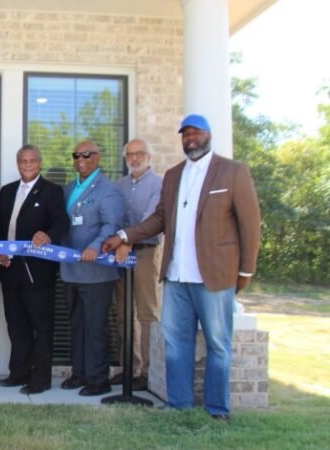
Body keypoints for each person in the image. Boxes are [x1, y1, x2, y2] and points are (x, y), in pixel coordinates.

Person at [103, 114, 261, 420]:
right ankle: (179, 404)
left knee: (218, 343)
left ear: (208, 134)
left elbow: (250, 225)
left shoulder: (232, 172)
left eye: (196, 132)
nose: (190, 138)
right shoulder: (174, 175)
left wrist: (246, 271)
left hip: (214, 277)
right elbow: (159, 218)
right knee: (176, 344)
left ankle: (217, 409)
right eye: (185, 134)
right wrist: (123, 235)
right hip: (176, 276)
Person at [0, 145, 67, 395]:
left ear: (40, 163)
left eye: (32, 161)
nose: (28, 165)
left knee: (41, 325)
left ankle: (40, 379)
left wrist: (47, 235)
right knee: (16, 325)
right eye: (23, 161)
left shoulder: (51, 191)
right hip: (9, 268)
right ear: (17, 163)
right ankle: (19, 373)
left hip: (38, 271)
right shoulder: (6, 192)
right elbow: (0, 229)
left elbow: (61, 223)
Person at [59, 140, 124, 397]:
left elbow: (112, 225)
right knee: (77, 325)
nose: (80, 159)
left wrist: (96, 246)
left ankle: (99, 379)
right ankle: (80, 373)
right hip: (71, 270)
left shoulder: (109, 190)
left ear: (98, 157)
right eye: (76, 155)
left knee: (95, 327)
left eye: (86, 155)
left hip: (97, 272)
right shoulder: (70, 188)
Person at [109, 138, 163, 391]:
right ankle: (130, 367)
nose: (135, 158)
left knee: (146, 314)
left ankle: (149, 372)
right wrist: (120, 242)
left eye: (140, 153)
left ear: (149, 157)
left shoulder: (158, 184)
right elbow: (115, 216)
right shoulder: (119, 185)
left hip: (144, 251)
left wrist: (127, 239)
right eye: (130, 154)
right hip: (121, 254)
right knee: (123, 313)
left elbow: (151, 217)